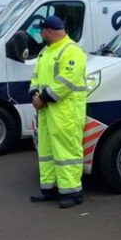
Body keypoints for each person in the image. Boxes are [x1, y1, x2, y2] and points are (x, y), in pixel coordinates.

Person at [28, 15, 88, 208]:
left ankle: (73, 193)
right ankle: (50, 189)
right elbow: (36, 76)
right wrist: (34, 94)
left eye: (41, 31)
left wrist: (43, 98)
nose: (40, 34)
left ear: (48, 31)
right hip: (47, 109)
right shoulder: (46, 51)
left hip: (66, 110)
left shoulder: (72, 50)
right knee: (46, 150)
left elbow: (67, 80)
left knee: (67, 151)